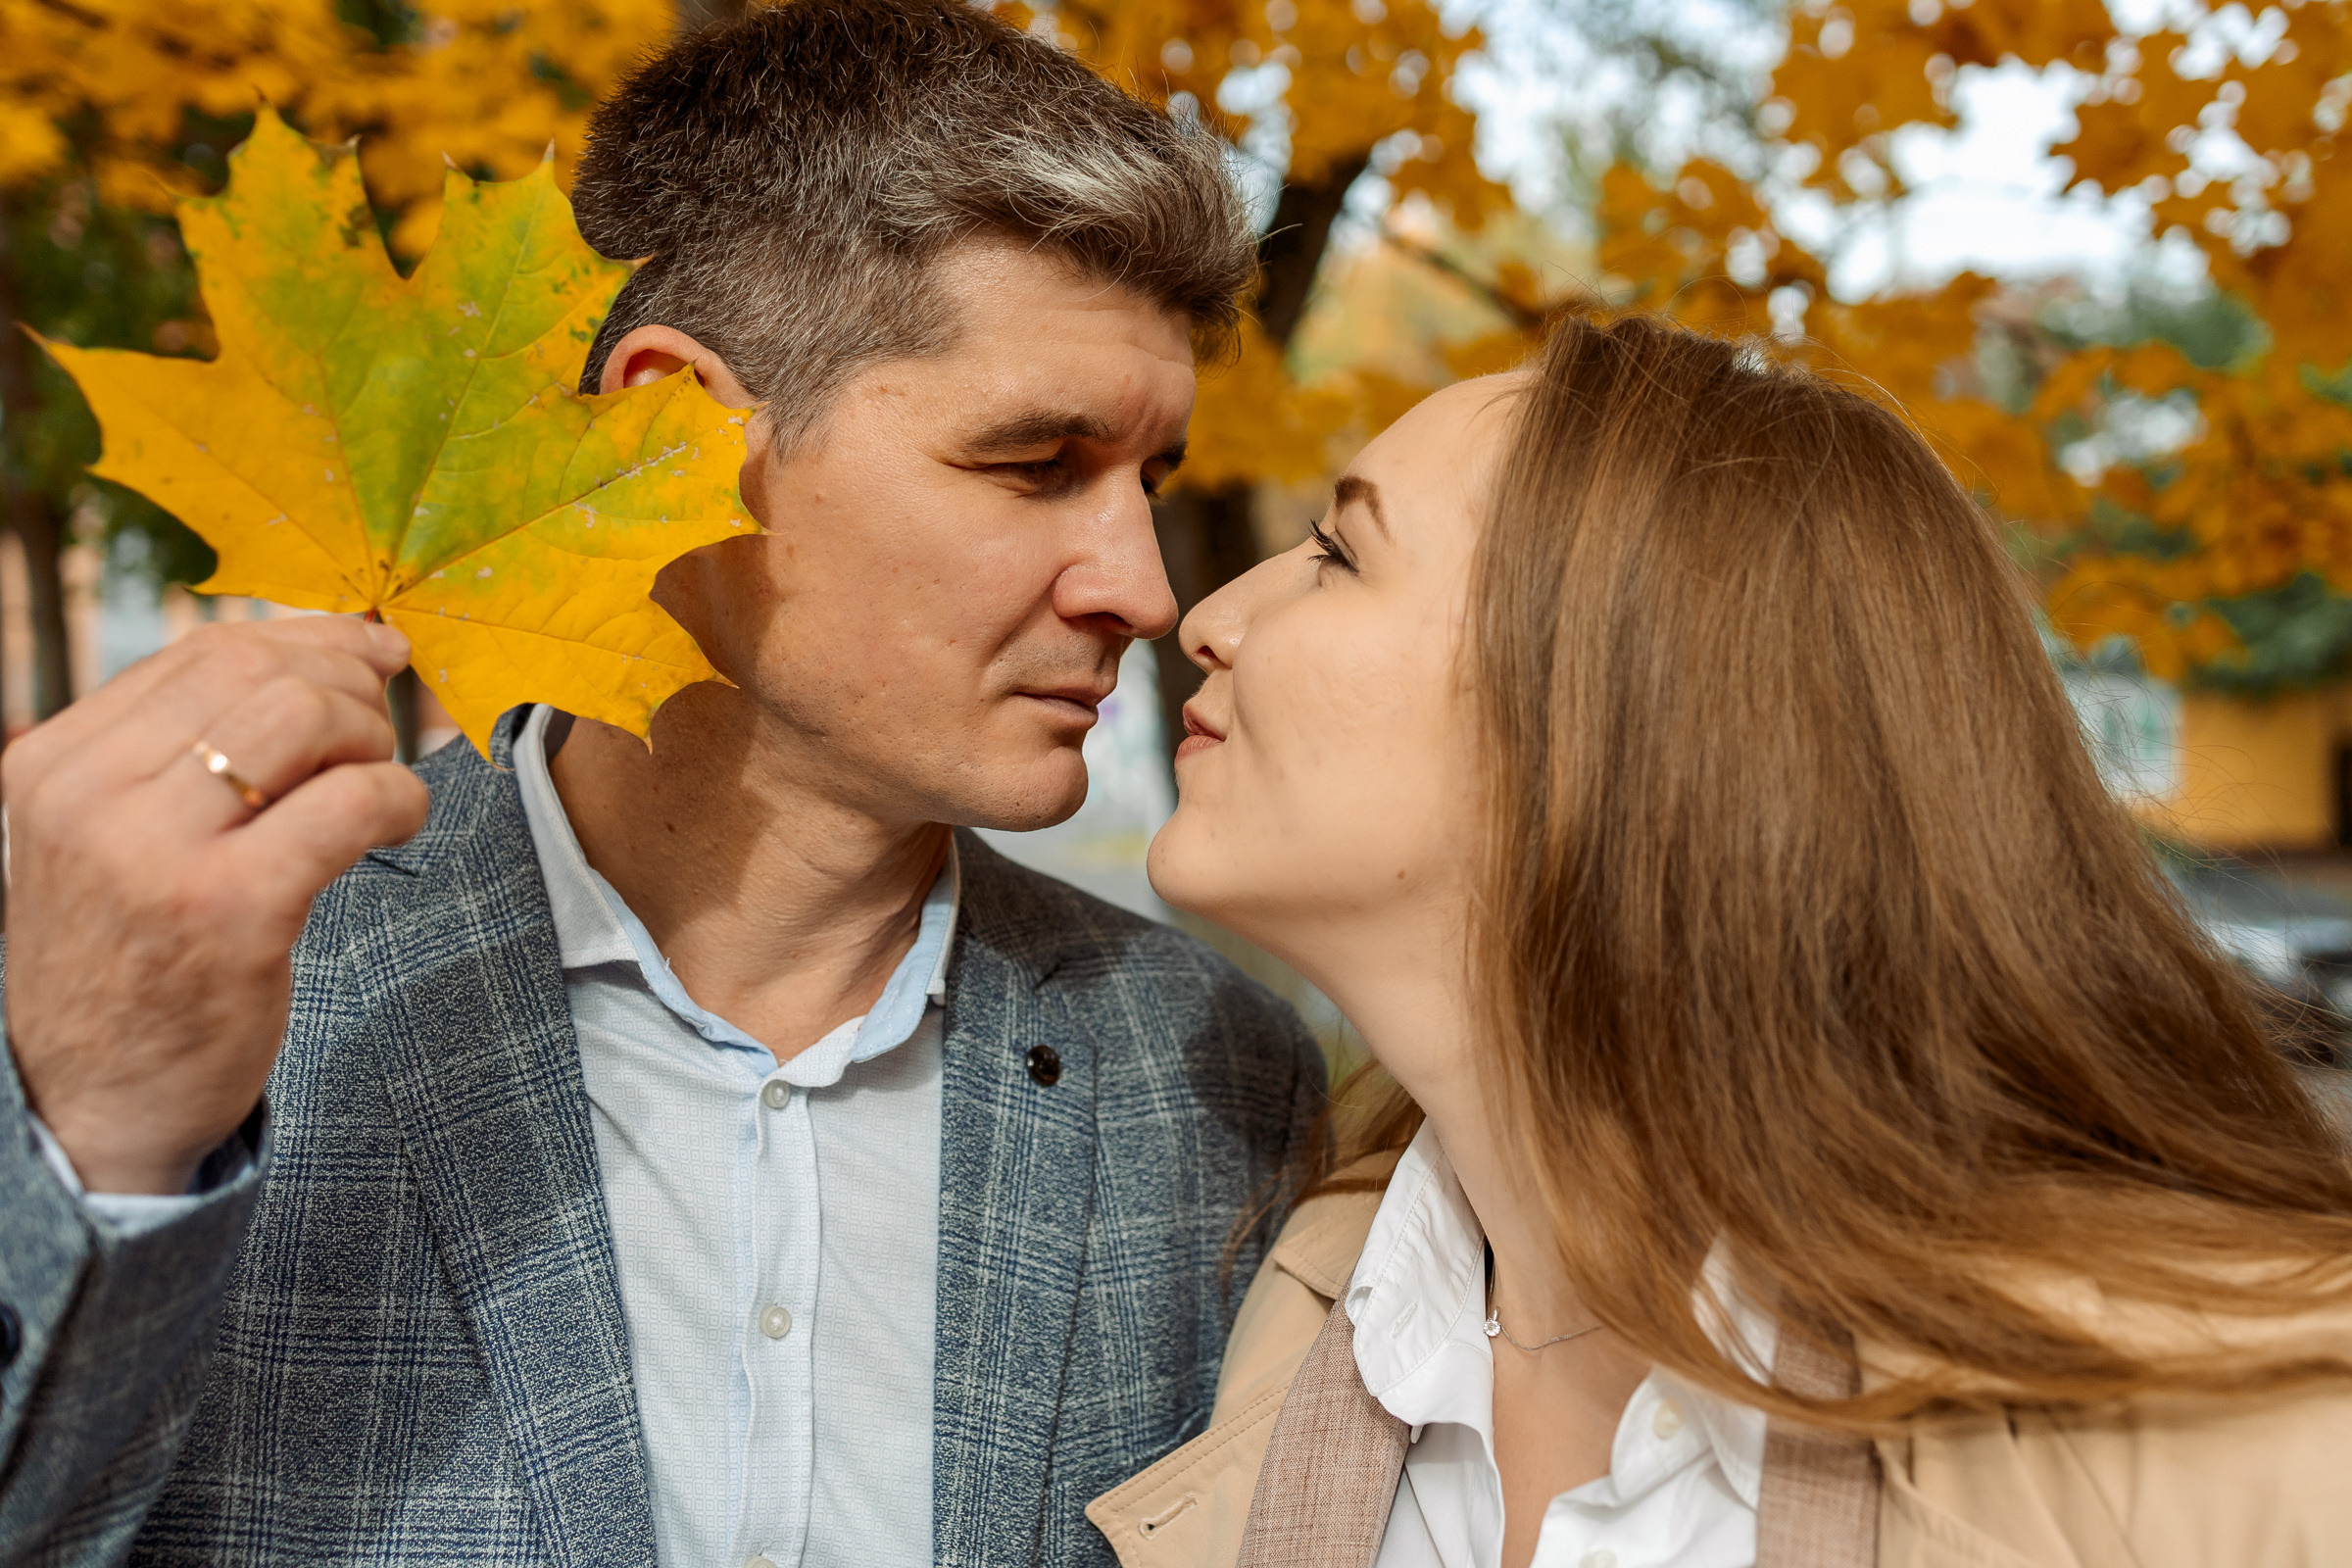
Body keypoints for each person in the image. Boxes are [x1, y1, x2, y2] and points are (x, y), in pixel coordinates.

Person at [0, 4, 1326, 1564]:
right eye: (1038, 464)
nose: (1141, 587)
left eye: (1149, 484)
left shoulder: (1207, 1074)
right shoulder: (201, 989)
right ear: (673, 433)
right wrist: (93, 1141)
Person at [1089, 313, 2352, 1568]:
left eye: (1336, 552)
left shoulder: (2249, 1432)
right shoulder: (1313, 1299)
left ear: (1606, 714)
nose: (1201, 617)